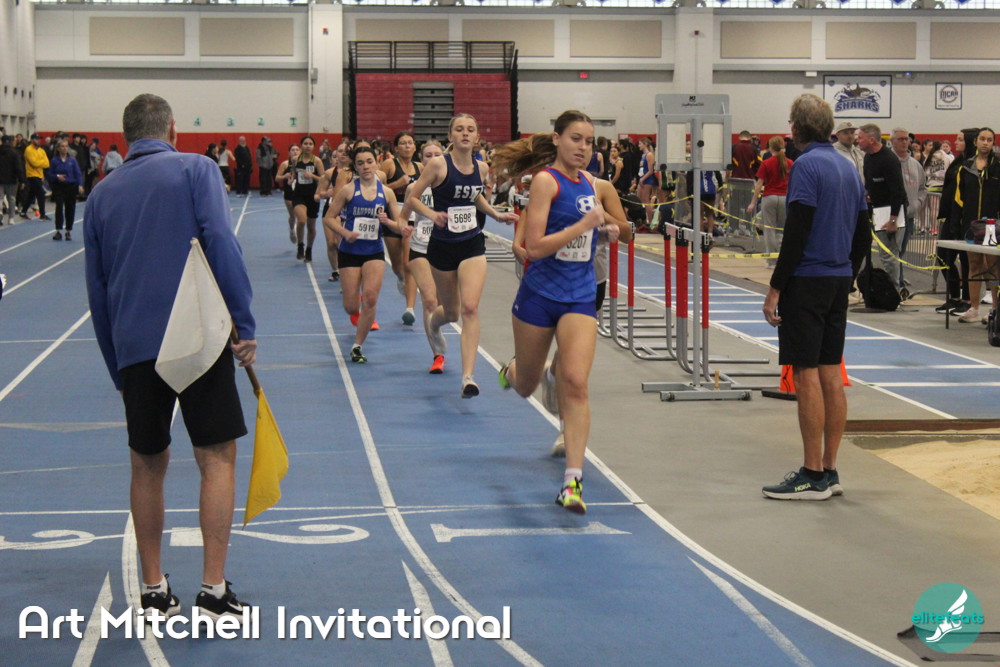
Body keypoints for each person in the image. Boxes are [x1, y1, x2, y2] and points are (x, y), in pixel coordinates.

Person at [83, 93, 256, 621]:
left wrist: (116, 362)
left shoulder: (101, 194)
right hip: (198, 336)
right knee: (216, 456)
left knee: (146, 462)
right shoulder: (196, 169)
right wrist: (243, 322)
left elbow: (97, 286)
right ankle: (213, 589)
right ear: (173, 130)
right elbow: (220, 241)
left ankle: (154, 589)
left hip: (134, 341)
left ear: (125, 137)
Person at [491, 110, 614, 513]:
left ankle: (572, 483)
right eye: (576, 139)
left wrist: (605, 231)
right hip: (540, 294)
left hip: (579, 294)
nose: (583, 148)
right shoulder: (546, 181)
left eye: (589, 142)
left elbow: (592, 232)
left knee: (575, 382)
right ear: (558, 139)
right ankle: (514, 369)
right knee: (525, 386)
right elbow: (536, 247)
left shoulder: (591, 185)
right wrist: (585, 225)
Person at [761, 94, 869, 501]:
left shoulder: (805, 166)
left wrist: (776, 288)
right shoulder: (848, 166)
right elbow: (862, 232)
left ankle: (810, 474)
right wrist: (847, 273)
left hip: (807, 280)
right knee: (830, 372)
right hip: (837, 279)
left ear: (795, 128)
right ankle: (830, 469)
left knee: (805, 373)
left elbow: (797, 231)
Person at [404, 114, 518, 397]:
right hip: (442, 245)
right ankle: (434, 323)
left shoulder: (482, 167)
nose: (465, 133)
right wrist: (433, 214)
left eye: (470, 130)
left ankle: (468, 377)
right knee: (451, 311)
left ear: (477, 137)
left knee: (469, 308)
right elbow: (413, 197)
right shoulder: (438, 165)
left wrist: (495, 214)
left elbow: (475, 195)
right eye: (459, 129)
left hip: (471, 243)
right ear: (451, 136)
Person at [323, 145, 410, 363]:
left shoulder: (386, 193)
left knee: (370, 299)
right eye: (360, 163)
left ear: (376, 163)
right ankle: (356, 306)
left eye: (369, 161)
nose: (366, 166)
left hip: (374, 251)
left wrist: (394, 225)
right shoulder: (348, 190)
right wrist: (345, 233)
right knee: (351, 306)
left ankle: (357, 346)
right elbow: (329, 218)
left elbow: (399, 223)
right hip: (350, 252)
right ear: (355, 167)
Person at [398, 140, 447, 373]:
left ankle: (435, 328)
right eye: (428, 155)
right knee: (429, 300)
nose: (433, 158)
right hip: (421, 247)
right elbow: (403, 216)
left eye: (437, 154)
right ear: (421, 159)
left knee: (447, 306)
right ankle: (437, 355)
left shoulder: (452, 184)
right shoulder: (413, 188)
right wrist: (403, 227)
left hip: (447, 247)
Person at [952, 127, 1000, 324]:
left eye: (989, 139)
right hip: (971, 225)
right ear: (976, 142)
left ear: (993, 143)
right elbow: (959, 198)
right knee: (973, 265)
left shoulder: (997, 167)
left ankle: (995, 309)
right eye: (982, 139)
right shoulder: (965, 168)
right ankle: (974, 308)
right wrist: (956, 224)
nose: (985, 142)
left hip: (992, 225)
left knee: (993, 267)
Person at [858, 123, 909, 300]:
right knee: (884, 254)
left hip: (893, 211)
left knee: (890, 255)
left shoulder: (888, 160)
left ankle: (894, 293)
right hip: (878, 210)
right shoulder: (868, 158)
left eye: (861, 138)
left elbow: (897, 191)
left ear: (871, 140)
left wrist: (893, 219)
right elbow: (870, 184)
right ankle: (890, 291)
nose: (858, 140)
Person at [378, 132, 421, 325]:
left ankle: (409, 309)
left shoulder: (420, 168)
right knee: (397, 266)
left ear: (415, 146)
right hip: (393, 217)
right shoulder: (389, 165)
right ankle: (401, 278)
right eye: (403, 143)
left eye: (410, 143)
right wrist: (398, 183)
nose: (407, 146)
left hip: (413, 219)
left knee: (408, 263)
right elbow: (379, 189)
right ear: (396, 148)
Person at [935, 129, 977, 316]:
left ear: (970, 141)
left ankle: (968, 300)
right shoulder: (958, 161)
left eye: (960, 139)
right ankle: (954, 296)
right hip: (951, 216)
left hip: (965, 218)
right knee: (943, 256)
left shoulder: (974, 164)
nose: (956, 142)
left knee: (967, 260)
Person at [747, 135, 793, 268]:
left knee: (769, 230)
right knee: (782, 230)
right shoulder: (790, 163)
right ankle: (782, 259)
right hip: (785, 198)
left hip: (769, 197)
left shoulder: (766, 163)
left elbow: (759, 185)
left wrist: (753, 202)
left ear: (771, 148)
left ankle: (771, 261)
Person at [890, 128, 926, 291]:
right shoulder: (888, 162)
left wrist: (917, 203)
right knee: (892, 252)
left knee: (901, 251)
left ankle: (899, 280)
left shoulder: (916, 165)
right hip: (892, 216)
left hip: (909, 215)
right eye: (900, 139)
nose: (905, 142)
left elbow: (923, 188)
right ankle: (897, 284)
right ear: (892, 141)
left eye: (906, 139)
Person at [289, 136, 324, 262]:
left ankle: (309, 250)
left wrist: (312, 176)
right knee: (302, 220)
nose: (308, 146)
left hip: (312, 196)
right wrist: (291, 178)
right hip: (299, 195)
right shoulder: (295, 159)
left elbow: (323, 179)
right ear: (301, 146)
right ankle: (300, 245)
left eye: (310, 144)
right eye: (305, 143)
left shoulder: (317, 161)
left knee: (311, 226)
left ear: (313, 146)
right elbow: (293, 173)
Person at [47, 138, 84, 240]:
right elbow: (50, 174)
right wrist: (57, 176)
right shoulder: (54, 160)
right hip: (59, 187)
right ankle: (58, 230)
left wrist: (80, 185)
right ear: (58, 148)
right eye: (62, 146)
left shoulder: (72, 160)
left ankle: (68, 230)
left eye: (66, 146)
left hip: (70, 186)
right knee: (59, 208)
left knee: (70, 208)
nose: (64, 148)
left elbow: (78, 173)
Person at [275, 144, 301, 244]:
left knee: (301, 216)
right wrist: (284, 176)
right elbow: (277, 179)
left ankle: (300, 238)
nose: (295, 151)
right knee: (293, 216)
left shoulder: (304, 164)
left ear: (300, 152)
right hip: (289, 193)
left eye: (297, 150)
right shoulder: (285, 164)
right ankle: (291, 229)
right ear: (289, 153)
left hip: (300, 193)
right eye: (293, 150)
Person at [22, 133, 50, 221]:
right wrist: (41, 162)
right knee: (41, 193)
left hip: (39, 175)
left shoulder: (41, 150)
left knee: (32, 194)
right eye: (36, 139)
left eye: (39, 139)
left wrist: (39, 162)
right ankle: (42, 214)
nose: (38, 141)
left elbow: (47, 164)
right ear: (32, 140)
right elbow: (34, 163)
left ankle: (23, 211)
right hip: (32, 175)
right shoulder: (29, 150)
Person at [0, 134, 24, 225]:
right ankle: (11, 217)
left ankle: (0, 214)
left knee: (0, 198)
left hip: (0, 179)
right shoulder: (14, 153)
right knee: (11, 198)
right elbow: (18, 167)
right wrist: (22, 180)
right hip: (11, 179)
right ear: (10, 142)